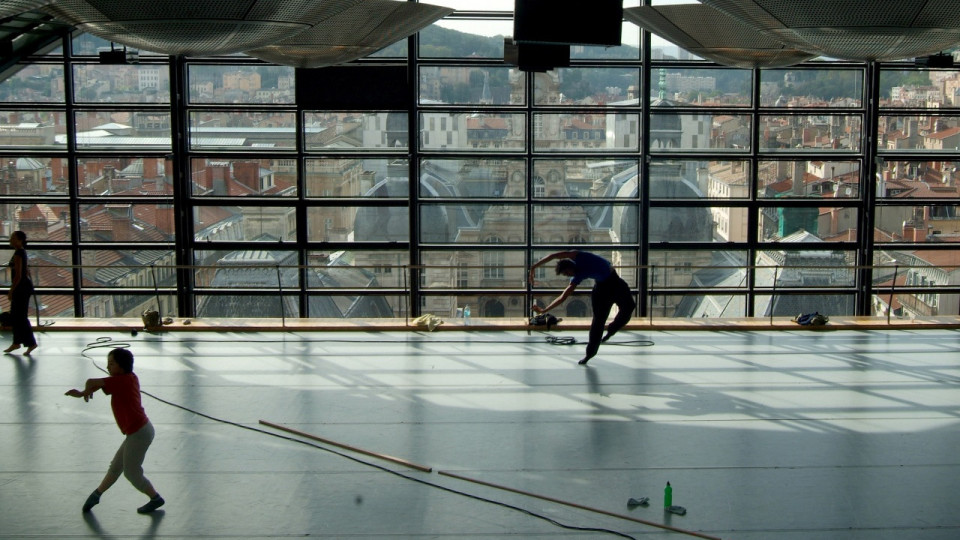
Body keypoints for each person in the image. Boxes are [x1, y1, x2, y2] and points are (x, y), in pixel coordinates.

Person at [65, 347, 165, 514]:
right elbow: (99, 385)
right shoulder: (126, 379)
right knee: (116, 466)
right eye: (108, 363)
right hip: (138, 432)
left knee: (131, 473)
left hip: (139, 433)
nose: (108, 366)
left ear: (122, 366)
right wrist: (88, 391)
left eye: (111, 364)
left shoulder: (122, 381)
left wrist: (84, 392)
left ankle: (156, 498)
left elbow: (92, 382)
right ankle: (96, 495)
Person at [529, 250, 635, 365]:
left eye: (566, 273)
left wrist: (534, 266)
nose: (567, 276)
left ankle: (611, 330)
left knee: (629, 307)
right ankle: (589, 354)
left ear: (569, 267)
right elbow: (563, 297)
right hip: (602, 289)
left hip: (615, 283)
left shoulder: (578, 256)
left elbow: (553, 255)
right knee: (598, 322)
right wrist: (544, 310)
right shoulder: (578, 276)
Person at [5, 230, 37, 355]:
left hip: (21, 288)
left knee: (20, 317)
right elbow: (25, 270)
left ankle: (30, 342)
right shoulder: (21, 252)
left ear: (20, 240)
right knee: (16, 316)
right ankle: (17, 342)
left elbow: (18, 275)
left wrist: (11, 290)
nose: (11, 240)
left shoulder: (19, 253)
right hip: (23, 287)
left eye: (14, 238)